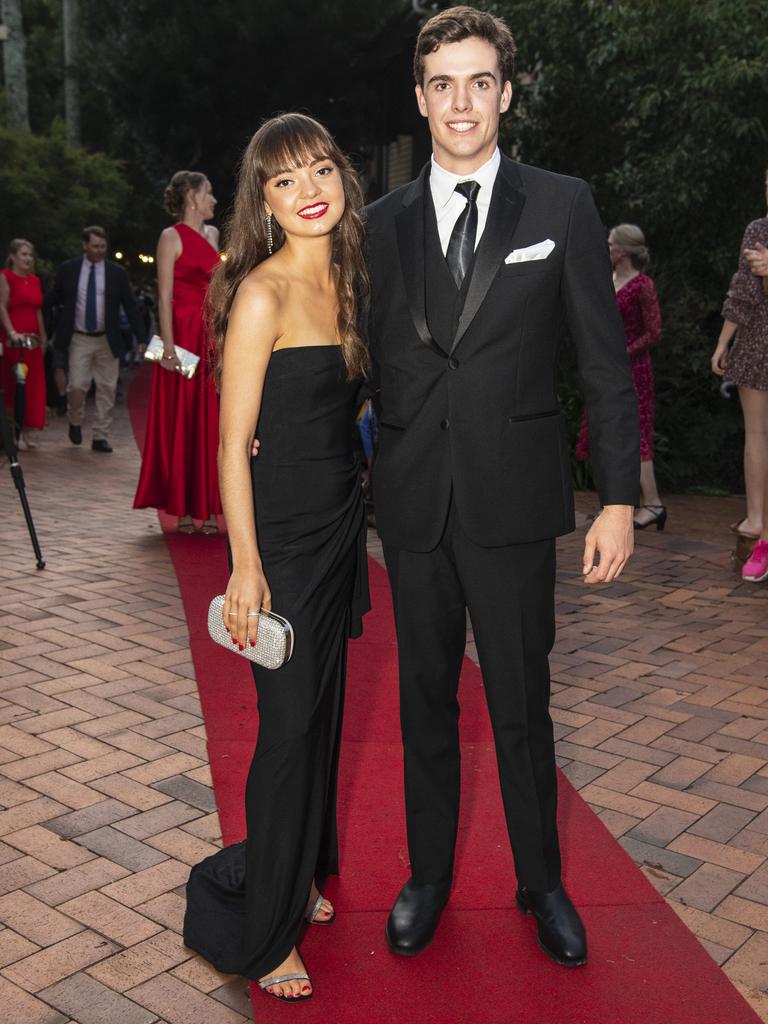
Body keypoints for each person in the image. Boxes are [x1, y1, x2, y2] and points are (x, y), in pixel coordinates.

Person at [365, 6, 638, 968]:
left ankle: (542, 882)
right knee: (424, 700)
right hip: (414, 503)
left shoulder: (560, 205)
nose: (461, 102)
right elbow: (363, 365)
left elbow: (604, 365)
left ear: (506, 92)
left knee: (522, 704)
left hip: (516, 505)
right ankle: (427, 877)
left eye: (479, 81)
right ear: (420, 97)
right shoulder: (380, 222)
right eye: (442, 83)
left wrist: (614, 498)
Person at [182, 114, 370, 1001]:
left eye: (321, 170)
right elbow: (232, 446)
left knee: (323, 716)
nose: (309, 191)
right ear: (262, 200)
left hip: (339, 527)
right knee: (289, 731)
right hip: (284, 542)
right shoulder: (260, 293)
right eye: (285, 181)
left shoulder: (347, 277)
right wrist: (245, 566)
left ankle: (295, 872)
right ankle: (266, 929)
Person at [133, 171, 223, 532]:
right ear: (192, 197)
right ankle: (184, 509)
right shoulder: (169, 237)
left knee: (212, 420)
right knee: (183, 419)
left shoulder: (214, 235)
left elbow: (218, 290)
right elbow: (165, 296)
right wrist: (169, 347)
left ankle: (214, 505)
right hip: (182, 336)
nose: (214, 199)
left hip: (211, 333)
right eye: (209, 192)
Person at [576, 224, 664, 529]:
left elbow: (654, 332)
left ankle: (652, 504)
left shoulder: (643, 285)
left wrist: (622, 352)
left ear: (624, 250)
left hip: (634, 370)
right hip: (602, 370)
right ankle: (610, 506)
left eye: (611, 244)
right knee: (601, 432)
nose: (607, 248)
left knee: (634, 435)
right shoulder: (606, 279)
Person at [50, 226, 146, 452]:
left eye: (103, 247)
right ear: (85, 246)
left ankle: (100, 435)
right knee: (77, 385)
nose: (99, 251)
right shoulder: (69, 269)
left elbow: (130, 306)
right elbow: (55, 298)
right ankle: (75, 420)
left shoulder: (117, 273)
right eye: (95, 246)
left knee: (106, 388)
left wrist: (141, 336)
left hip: (107, 339)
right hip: (79, 337)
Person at [711, 194, 768, 576]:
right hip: (756, 342)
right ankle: (755, 520)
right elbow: (743, 293)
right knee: (757, 434)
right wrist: (722, 342)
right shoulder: (758, 229)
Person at [0, 239, 47, 449]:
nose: (28, 259)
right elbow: (1, 306)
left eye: (30, 255)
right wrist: (11, 331)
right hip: (14, 340)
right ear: (13, 256)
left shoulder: (35, 280)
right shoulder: (6, 277)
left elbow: (38, 310)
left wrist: (44, 337)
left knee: (32, 385)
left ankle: (26, 432)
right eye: (24, 254)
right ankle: (13, 431)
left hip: (33, 342)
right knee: (14, 382)